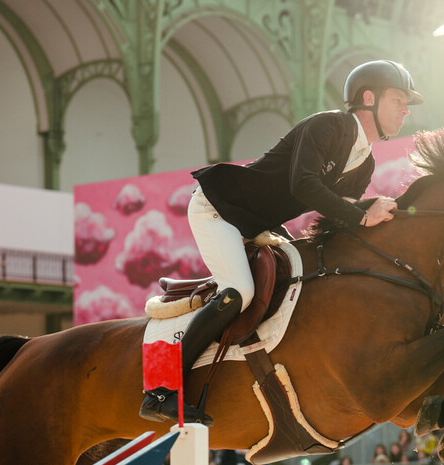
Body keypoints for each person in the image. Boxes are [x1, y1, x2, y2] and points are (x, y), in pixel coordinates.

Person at [139, 60, 421, 424]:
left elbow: (342, 211)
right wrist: (362, 213)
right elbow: (303, 185)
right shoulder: (328, 126)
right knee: (238, 290)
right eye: (398, 99)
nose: (406, 109)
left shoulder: (364, 163)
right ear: (369, 98)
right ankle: (161, 391)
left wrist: (376, 213)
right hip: (220, 208)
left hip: (256, 223)